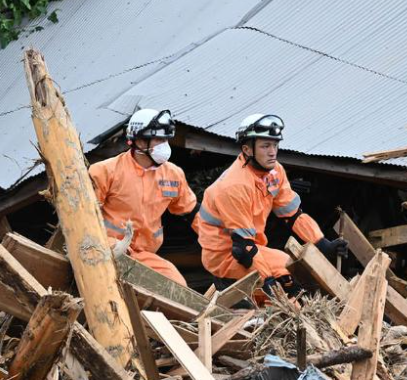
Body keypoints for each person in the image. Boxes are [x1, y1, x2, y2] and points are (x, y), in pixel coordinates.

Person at [195, 114, 346, 292]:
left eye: (275, 145)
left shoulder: (275, 172)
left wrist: (322, 244)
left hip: (251, 248)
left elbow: (294, 215)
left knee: (292, 272)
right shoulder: (234, 186)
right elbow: (243, 248)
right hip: (226, 256)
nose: (272, 151)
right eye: (265, 146)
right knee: (285, 279)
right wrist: (268, 281)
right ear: (247, 150)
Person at [88, 109, 196, 286]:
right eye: (159, 139)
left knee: (178, 288)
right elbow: (83, 217)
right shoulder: (105, 171)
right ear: (138, 140)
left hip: (145, 255)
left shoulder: (173, 174)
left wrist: (220, 241)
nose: (164, 145)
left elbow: (192, 211)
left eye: (166, 139)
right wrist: (109, 244)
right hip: (105, 250)